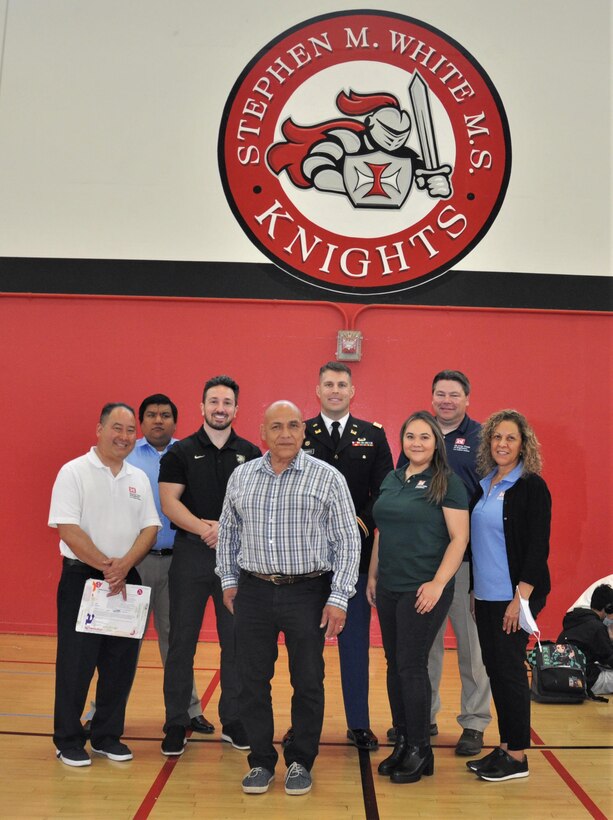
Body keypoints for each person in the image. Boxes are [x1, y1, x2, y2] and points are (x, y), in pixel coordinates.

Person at [216, 401, 360, 796]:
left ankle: (300, 761)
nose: (285, 433)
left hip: (308, 593)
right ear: (262, 432)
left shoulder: (328, 478)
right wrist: (229, 581)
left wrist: (339, 597)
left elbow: (348, 541)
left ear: (303, 431)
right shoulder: (241, 477)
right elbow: (228, 533)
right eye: (276, 426)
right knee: (251, 682)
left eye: (293, 425)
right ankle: (261, 761)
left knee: (309, 681)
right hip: (254, 590)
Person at [82, 394, 213, 735]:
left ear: (175, 421)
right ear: (142, 422)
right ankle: (101, 713)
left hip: (178, 563)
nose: (159, 420)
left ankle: (189, 710)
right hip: (133, 564)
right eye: (152, 415)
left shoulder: (187, 453)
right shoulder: (126, 455)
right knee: (120, 644)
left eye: (166, 415)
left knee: (178, 643)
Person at [48, 403, 161, 767]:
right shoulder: (74, 472)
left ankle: (106, 735)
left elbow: (150, 527)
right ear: (99, 428)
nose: (124, 436)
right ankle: (67, 739)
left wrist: (124, 565)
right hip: (83, 578)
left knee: (120, 664)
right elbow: (68, 528)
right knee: (75, 664)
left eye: (131, 430)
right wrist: (105, 566)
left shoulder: (138, 478)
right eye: (117, 428)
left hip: (127, 579)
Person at [159, 376, 261, 756]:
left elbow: (258, 506)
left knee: (235, 642)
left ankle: (233, 721)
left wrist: (228, 530)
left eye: (227, 402)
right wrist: (206, 529)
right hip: (191, 555)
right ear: (202, 407)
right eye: (214, 401)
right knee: (181, 642)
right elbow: (170, 502)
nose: (220, 408)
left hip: (237, 557)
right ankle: (176, 721)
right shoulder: (180, 452)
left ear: (237, 409)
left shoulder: (252, 453)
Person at [367, 411, 469, 784]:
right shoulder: (393, 479)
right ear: (403, 440)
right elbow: (381, 531)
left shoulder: (448, 483)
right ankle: (404, 743)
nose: (417, 443)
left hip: (424, 588)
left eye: (425, 437)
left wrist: (438, 583)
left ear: (435, 443)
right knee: (396, 666)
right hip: (391, 586)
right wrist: (374, 575)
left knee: (411, 665)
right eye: (410, 436)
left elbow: (459, 539)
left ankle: (419, 749)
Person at [295, 361, 393, 752]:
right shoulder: (299, 433)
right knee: (306, 651)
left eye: (342, 384)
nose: (335, 390)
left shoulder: (372, 435)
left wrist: (359, 526)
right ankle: (304, 726)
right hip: (306, 559)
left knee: (354, 647)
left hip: (354, 556)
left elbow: (385, 492)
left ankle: (359, 724)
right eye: (328, 384)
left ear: (352, 391)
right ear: (317, 391)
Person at [394, 369, 491, 756]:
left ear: (467, 398)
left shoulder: (483, 438)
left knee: (471, 647)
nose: (446, 401)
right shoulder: (420, 435)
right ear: (431, 398)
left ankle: (474, 722)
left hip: (465, 562)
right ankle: (424, 716)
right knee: (425, 647)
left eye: (454, 394)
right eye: (440, 394)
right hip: (422, 564)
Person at [467, 409, 551, 782]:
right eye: (497, 437)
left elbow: (537, 547)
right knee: (496, 672)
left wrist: (521, 599)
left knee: (510, 674)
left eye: (510, 438)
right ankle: (504, 746)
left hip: (514, 598)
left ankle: (517, 756)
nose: (502, 444)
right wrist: (474, 592)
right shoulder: (485, 484)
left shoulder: (531, 486)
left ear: (523, 444)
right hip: (485, 596)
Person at [558, 584, 613, 695]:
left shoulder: (575, 619)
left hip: (563, 676)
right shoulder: (597, 628)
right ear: (608, 607)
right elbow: (609, 659)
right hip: (583, 680)